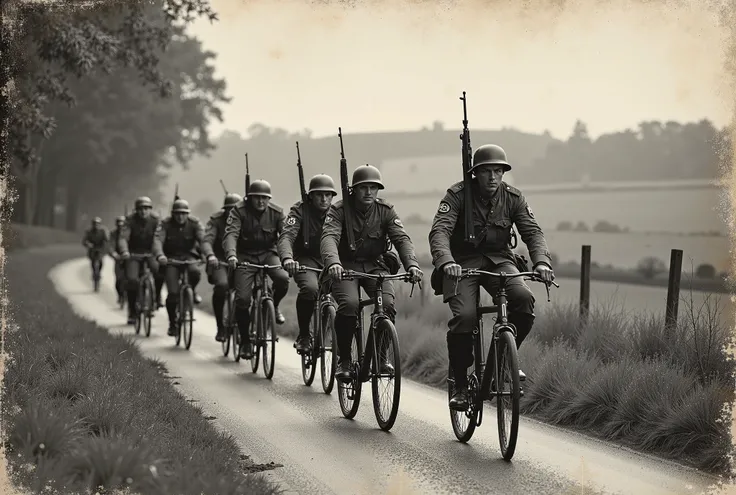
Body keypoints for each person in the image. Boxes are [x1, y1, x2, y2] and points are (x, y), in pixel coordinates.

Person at [428, 144, 555, 411]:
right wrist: (447, 261)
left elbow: (533, 232)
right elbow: (439, 231)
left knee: (523, 300)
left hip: (500, 261)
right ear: (476, 173)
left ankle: (503, 362)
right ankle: (461, 385)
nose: (493, 177)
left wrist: (542, 262)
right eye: (487, 171)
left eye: (498, 171)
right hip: (461, 264)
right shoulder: (457, 195)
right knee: (465, 317)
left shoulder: (513, 198)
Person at [320, 164, 423, 382]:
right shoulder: (339, 211)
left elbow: (401, 239)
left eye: (373, 188)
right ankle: (345, 359)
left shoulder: (385, 211)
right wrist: (333, 263)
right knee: (349, 304)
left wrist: (412, 264)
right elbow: (329, 237)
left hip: (375, 266)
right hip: (345, 267)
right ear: (354, 190)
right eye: (363, 187)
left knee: (386, 305)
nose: (368, 192)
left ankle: (381, 356)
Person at [223, 179, 290, 360]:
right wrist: (231, 255)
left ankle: (273, 306)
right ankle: (245, 341)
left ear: (269, 199)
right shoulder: (239, 211)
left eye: (264, 198)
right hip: (245, 257)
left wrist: (287, 258)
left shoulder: (277, 212)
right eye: (257, 198)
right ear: (250, 198)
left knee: (283, 279)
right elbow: (231, 234)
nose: (261, 201)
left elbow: (284, 237)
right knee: (243, 299)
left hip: (269, 253)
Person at [278, 174, 337, 353]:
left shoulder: (338, 212)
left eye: (328, 195)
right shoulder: (298, 211)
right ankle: (304, 335)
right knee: (310, 289)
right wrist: (288, 258)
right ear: (310, 195)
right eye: (319, 194)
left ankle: (341, 347)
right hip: (305, 259)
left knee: (348, 298)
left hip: (332, 260)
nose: (324, 199)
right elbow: (287, 236)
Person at [153, 198, 213, 336]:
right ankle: (172, 323)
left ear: (188, 214)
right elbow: (158, 241)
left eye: (183, 213)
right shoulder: (165, 224)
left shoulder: (194, 223)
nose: (180, 216)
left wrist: (207, 254)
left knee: (195, 273)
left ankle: (191, 291)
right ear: (173, 214)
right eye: (178, 213)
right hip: (171, 259)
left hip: (189, 256)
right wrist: (160, 255)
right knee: (172, 294)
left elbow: (203, 239)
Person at [117, 196, 165, 325]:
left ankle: (157, 296)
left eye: (146, 209)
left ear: (150, 209)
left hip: (151, 253)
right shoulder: (130, 221)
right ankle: (132, 310)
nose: (143, 212)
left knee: (160, 271)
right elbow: (123, 238)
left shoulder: (156, 221)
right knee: (132, 280)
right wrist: (124, 251)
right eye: (140, 209)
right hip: (133, 254)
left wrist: (161, 253)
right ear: (136, 210)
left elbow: (160, 238)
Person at [202, 192, 243, 342]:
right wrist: (210, 255)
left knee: (246, 291)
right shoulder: (216, 221)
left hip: (241, 260)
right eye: (229, 209)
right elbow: (207, 240)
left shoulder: (246, 218)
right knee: (222, 286)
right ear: (224, 210)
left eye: (235, 209)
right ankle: (220, 326)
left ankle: (244, 326)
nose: (232, 212)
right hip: (219, 261)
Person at [82, 217, 110, 286]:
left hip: (100, 249)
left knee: (100, 262)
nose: (96, 225)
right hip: (92, 249)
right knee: (93, 262)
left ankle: (99, 272)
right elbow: (84, 241)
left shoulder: (103, 231)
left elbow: (107, 239)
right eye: (95, 224)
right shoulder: (89, 232)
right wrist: (88, 244)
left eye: (97, 224)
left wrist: (105, 243)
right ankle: (94, 273)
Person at [108, 215, 127, 304]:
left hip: (130, 257)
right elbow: (111, 245)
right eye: (119, 224)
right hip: (119, 258)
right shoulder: (113, 234)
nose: (121, 226)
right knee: (118, 280)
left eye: (122, 224)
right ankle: (120, 295)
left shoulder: (129, 232)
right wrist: (114, 254)